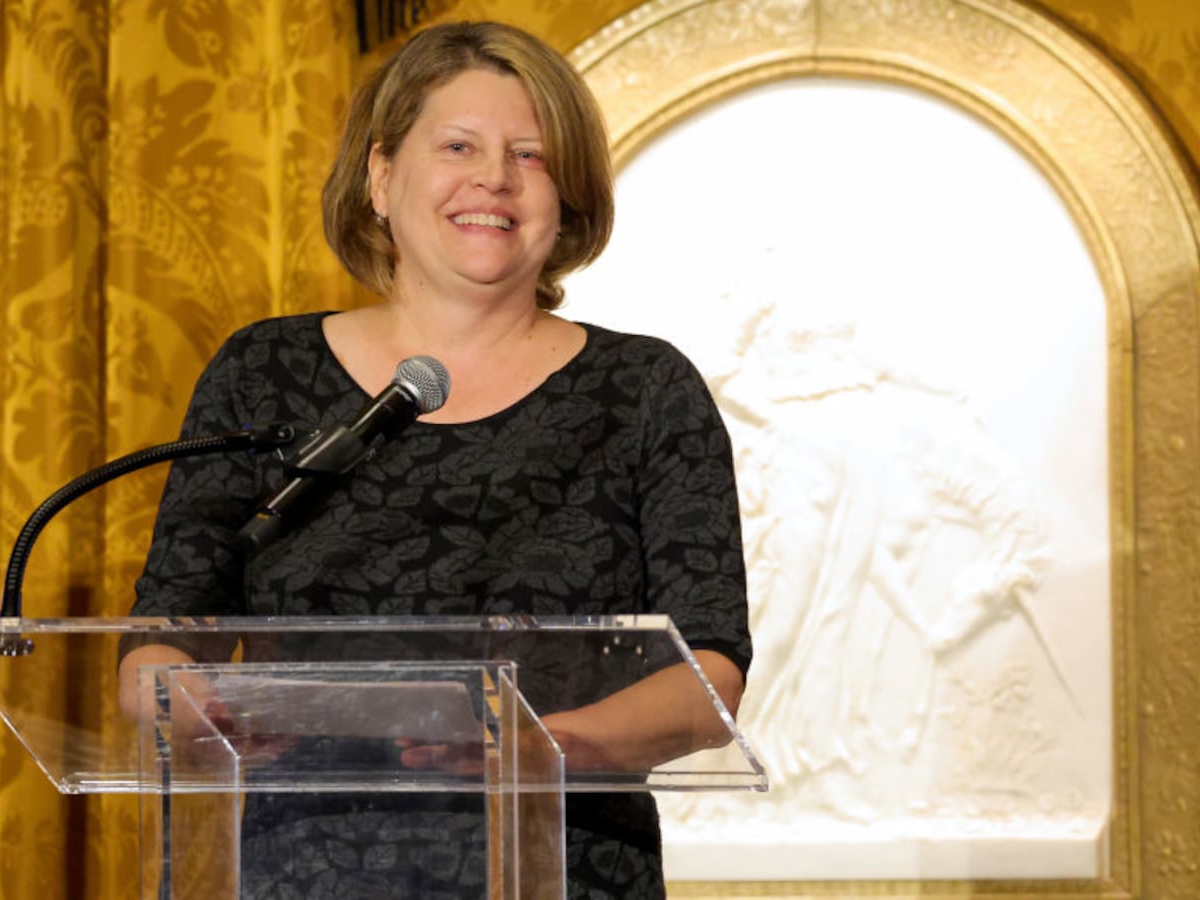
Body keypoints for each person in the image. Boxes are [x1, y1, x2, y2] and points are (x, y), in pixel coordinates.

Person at [122, 20, 750, 899]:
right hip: (291, 864)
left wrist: (544, 747)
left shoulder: (646, 390)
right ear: (381, 177)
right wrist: (183, 708)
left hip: (567, 865)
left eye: (530, 156)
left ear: (566, 197)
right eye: (458, 145)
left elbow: (709, 678)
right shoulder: (262, 373)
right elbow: (163, 642)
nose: (493, 178)